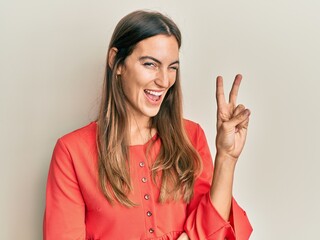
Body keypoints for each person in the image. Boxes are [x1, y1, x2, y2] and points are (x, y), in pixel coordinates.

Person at [43, 10, 252, 240]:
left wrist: (227, 157)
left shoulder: (191, 136)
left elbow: (213, 232)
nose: (164, 81)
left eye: (172, 67)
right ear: (117, 62)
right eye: (150, 64)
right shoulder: (72, 152)